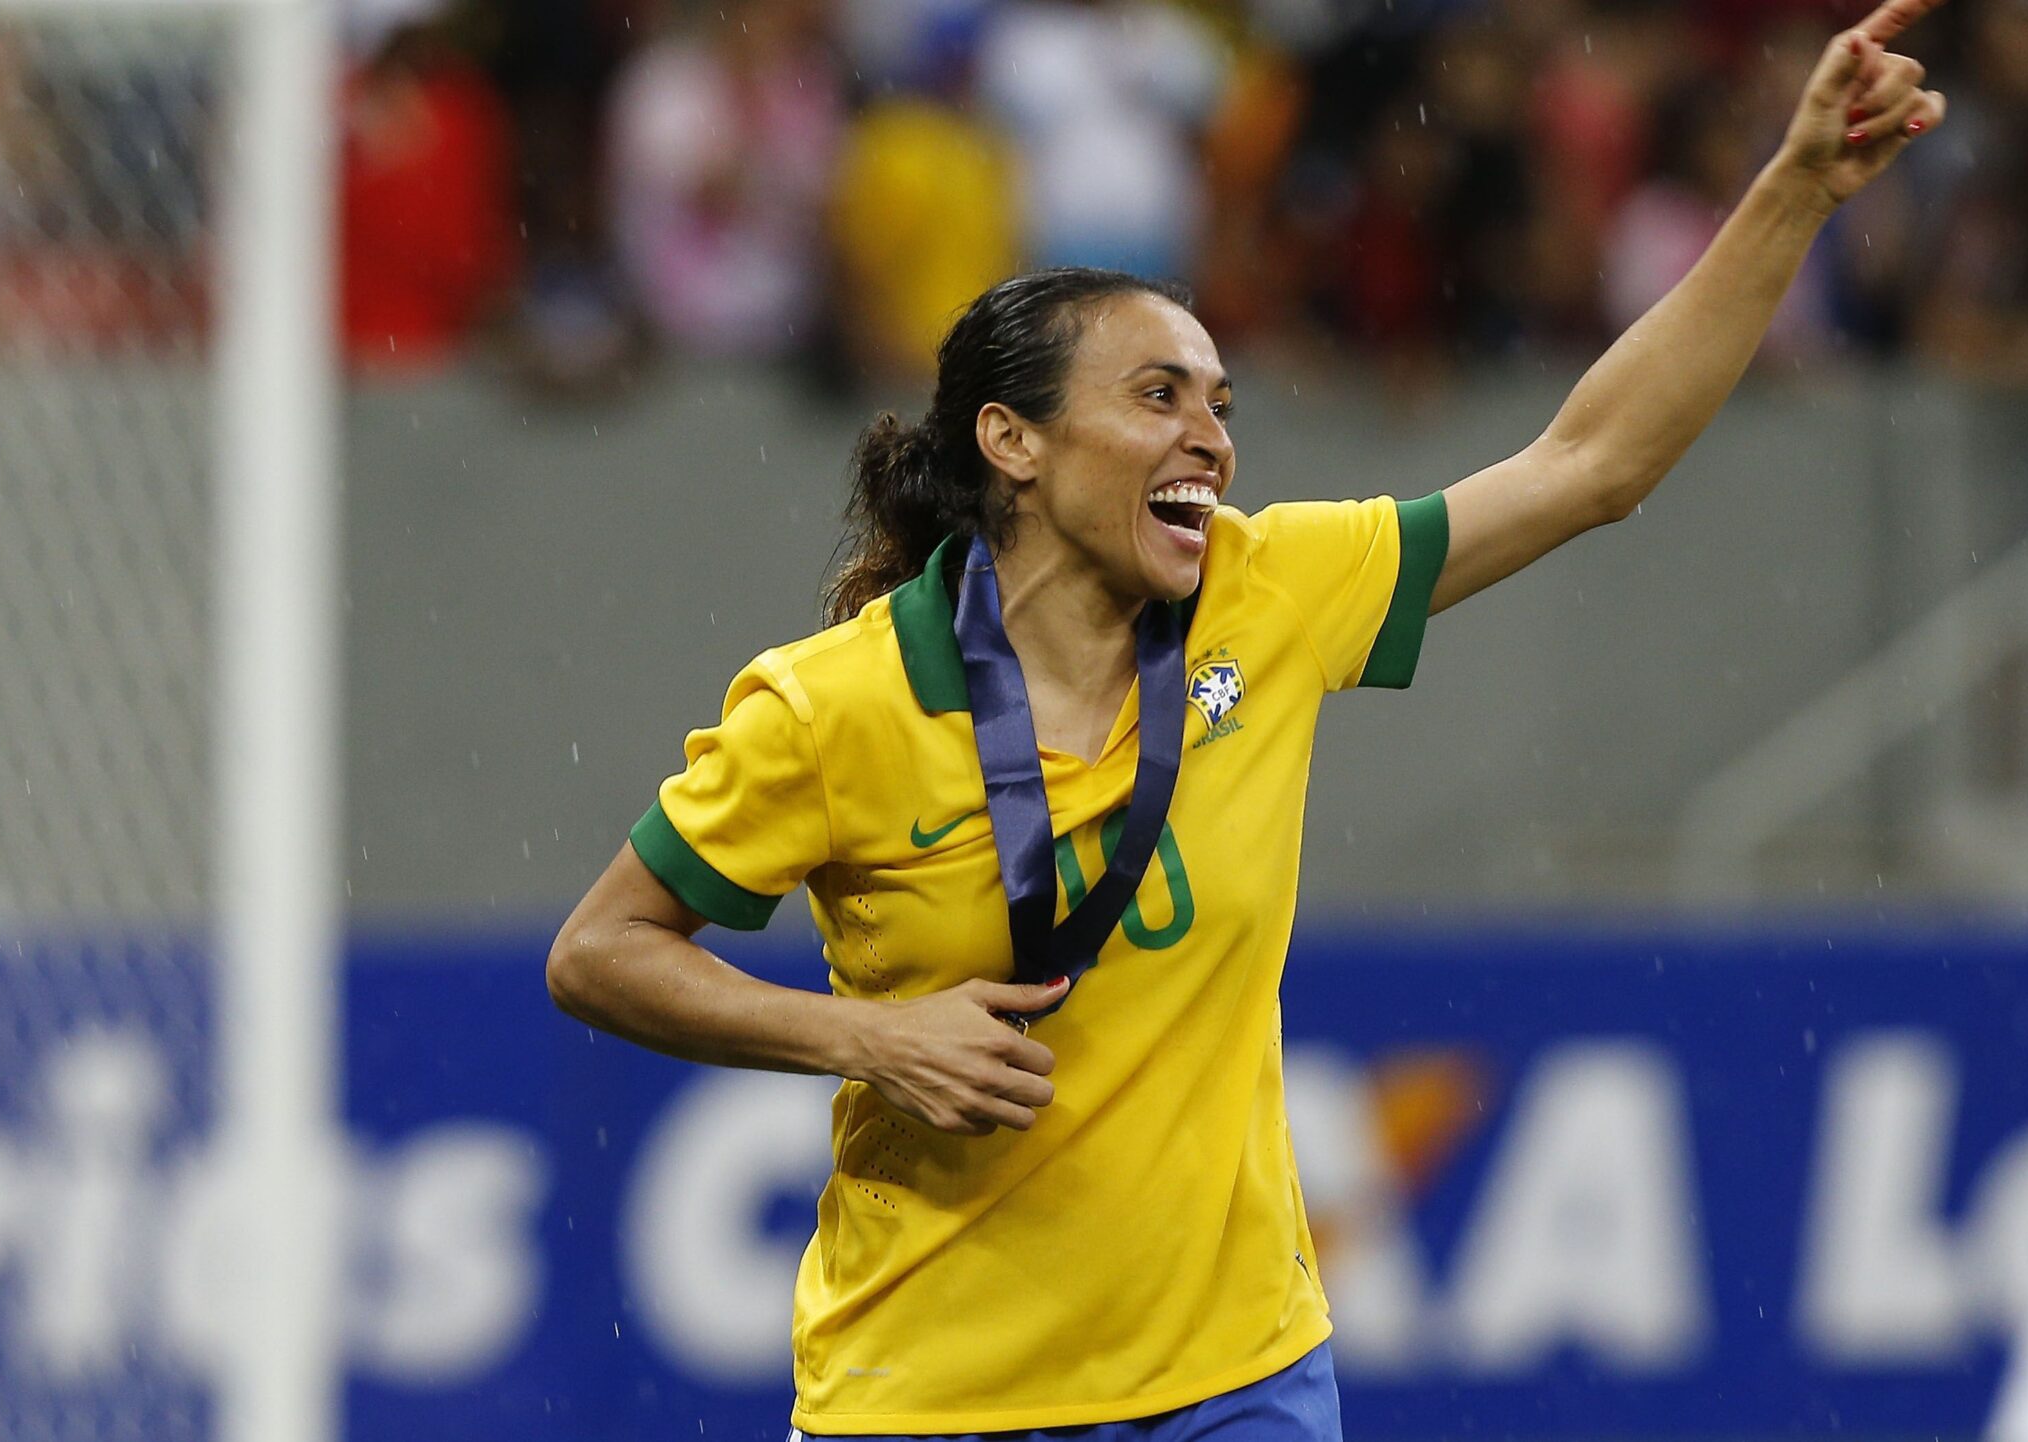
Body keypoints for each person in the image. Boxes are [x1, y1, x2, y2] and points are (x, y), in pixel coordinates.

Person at [548, 4, 1948, 1437]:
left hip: (1239, 1384)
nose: (1210, 437)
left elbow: (1594, 462)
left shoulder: (1265, 591)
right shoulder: (834, 702)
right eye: (1157, 396)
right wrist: (866, 1036)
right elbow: (600, 953)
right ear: (1010, 441)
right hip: (936, 1395)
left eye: (1219, 401)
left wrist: (1795, 190)